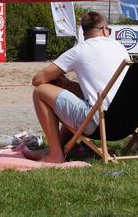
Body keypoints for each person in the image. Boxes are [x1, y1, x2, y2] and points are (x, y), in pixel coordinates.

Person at [21, 11, 130, 163]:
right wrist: (67, 85)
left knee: (40, 91)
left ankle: (55, 154)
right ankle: (57, 147)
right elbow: (103, 90)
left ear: (83, 32)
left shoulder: (80, 50)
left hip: (98, 124)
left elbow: (38, 79)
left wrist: (59, 81)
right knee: (76, 100)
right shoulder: (120, 48)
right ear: (105, 30)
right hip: (126, 121)